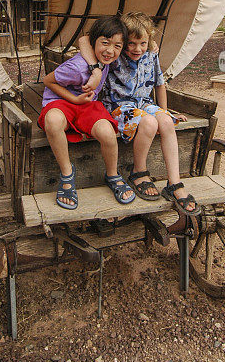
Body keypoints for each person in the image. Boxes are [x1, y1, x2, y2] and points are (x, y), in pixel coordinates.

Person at [79, 12, 199, 214]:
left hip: (144, 103)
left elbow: (160, 84)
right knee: (150, 123)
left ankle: (175, 183)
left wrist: (166, 111)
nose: (137, 49)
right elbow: (84, 39)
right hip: (118, 107)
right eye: (132, 44)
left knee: (166, 122)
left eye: (143, 43)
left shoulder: (151, 55)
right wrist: (96, 69)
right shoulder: (114, 55)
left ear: (149, 41)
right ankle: (139, 172)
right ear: (124, 41)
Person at [38, 16, 135, 210]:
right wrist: (74, 99)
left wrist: (98, 71)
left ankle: (112, 174)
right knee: (53, 121)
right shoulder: (76, 68)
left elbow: (85, 39)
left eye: (117, 46)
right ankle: (67, 173)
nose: (110, 50)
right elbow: (48, 81)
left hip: (88, 105)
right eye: (105, 43)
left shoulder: (105, 58)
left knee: (108, 133)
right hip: (61, 102)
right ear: (95, 42)